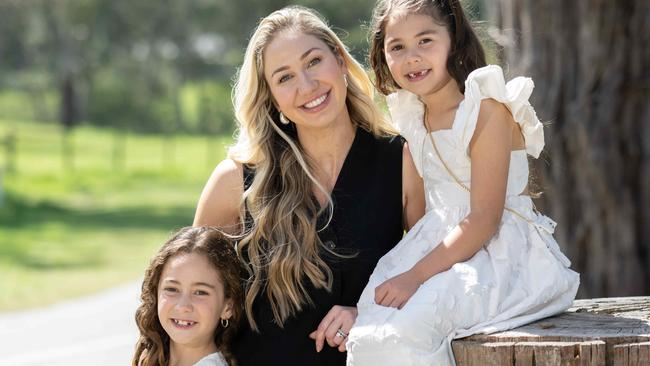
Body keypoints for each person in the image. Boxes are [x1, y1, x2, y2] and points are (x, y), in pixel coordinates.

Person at [346, 1, 580, 365]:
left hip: (499, 252)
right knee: (372, 328)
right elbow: (419, 216)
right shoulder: (413, 116)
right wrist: (406, 269)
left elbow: (484, 219)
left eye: (426, 40)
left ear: (453, 38)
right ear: (382, 54)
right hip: (439, 247)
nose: (412, 58)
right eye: (397, 47)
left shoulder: (484, 109)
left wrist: (414, 277)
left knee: (411, 327)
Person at [192, 5, 424, 366]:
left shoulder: (403, 162)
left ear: (339, 59)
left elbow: (435, 280)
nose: (306, 85)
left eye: (313, 61)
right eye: (284, 78)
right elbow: (194, 306)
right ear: (272, 98)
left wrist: (370, 314)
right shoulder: (236, 181)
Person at [132, 227, 243, 366]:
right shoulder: (151, 358)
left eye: (200, 292)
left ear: (228, 307)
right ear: (156, 293)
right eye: (172, 289)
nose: (182, 306)